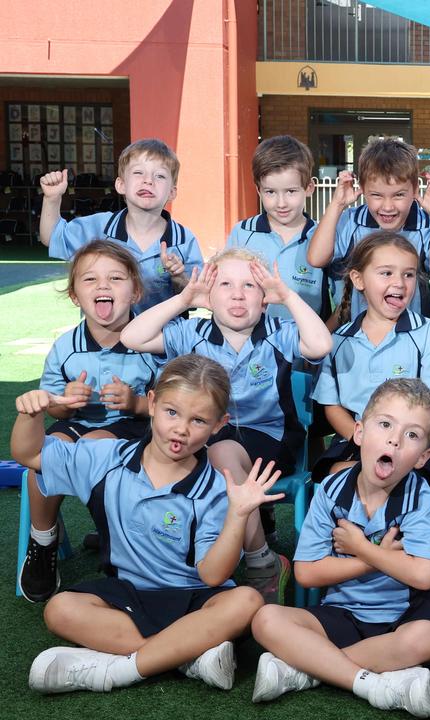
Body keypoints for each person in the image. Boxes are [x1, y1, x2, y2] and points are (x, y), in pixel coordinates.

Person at [12, 355, 275, 694]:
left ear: (218, 425)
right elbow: (29, 455)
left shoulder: (214, 488)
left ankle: (121, 670)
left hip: (196, 599)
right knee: (60, 609)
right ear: (151, 403)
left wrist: (238, 515)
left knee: (246, 602)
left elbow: (213, 575)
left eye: (198, 420)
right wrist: (30, 415)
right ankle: (185, 656)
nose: (181, 428)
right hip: (129, 596)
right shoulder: (106, 459)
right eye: (172, 412)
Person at [121, 247, 333, 601]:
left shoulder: (278, 333)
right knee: (171, 450)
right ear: (208, 296)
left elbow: (320, 344)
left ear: (264, 299)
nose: (238, 294)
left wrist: (289, 296)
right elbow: (132, 337)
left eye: (250, 285)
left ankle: (262, 561)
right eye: (226, 284)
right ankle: (165, 555)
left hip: (269, 439)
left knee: (219, 454)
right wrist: (184, 298)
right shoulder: (192, 334)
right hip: (203, 437)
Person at [250, 379, 430, 718]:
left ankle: (309, 668)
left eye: (412, 434)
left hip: (402, 616)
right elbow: (306, 572)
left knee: (428, 639)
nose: (394, 438)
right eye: (385, 424)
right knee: (266, 618)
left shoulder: (418, 497)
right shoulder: (331, 490)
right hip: (341, 613)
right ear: (359, 433)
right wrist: (376, 560)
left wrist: (362, 548)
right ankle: (369, 682)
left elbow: (423, 575)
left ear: (422, 458)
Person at [19, 241, 161, 603]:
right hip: (76, 425)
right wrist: (66, 402)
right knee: (47, 457)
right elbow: (52, 407)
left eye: (115, 278)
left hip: (134, 429)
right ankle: (43, 541)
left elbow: (170, 406)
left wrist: (136, 402)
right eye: (90, 279)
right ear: (74, 295)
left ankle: (116, 536)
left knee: (95, 443)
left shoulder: (152, 342)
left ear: (136, 292)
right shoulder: (66, 347)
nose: (103, 286)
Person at [312, 232, 430, 482]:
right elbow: (332, 407)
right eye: (386, 273)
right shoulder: (338, 341)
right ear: (358, 279)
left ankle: (405, 519)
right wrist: (366, 439)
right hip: (357, 439)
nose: (399, 283)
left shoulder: (427, 332)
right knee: (336, 474)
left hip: (411, 440)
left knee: (390, 473)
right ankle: (355, 521)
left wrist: (398, 437)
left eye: (408, 274)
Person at [39, 139, 203, 313]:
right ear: (121, 185)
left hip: (163, 337)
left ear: (172, 192)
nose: (148, 181)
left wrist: (178, 276)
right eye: (138, 173)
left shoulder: (184, 240)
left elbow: (195, 299)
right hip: (105, 336)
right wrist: (52, 199)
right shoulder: (97, 228)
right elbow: (51, 237)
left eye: (160, 176)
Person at [307, 138, 430, 321]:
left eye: (398, 195)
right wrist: (337, 204)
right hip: (357, 339)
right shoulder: (351, 221)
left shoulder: (425, 225)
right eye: (376, 195)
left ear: (415, 190)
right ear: (362, 189)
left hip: (411, 338)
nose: (388, 206)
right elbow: (316, 258)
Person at [225, 135, 324, 320]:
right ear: (258, 190)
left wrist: (320, 338)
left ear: (309, 188)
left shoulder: (322, 238)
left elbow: (341, 303)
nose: (281, 203)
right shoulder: (243, 233)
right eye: (270, 192)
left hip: (304, 345)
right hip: (252, 344)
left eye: (291, 191)